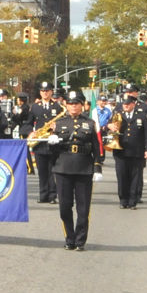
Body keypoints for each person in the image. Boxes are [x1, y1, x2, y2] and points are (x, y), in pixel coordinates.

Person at [47, 89, 103, 250]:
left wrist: (97, 167)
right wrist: (51, 142)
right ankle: (69, 237)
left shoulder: (90, 124)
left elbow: (97, 146)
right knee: (64, 207)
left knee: (83, 208)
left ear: (82, 105)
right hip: (63, 167)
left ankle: (80, 240)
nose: (73, 106)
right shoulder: (58, 123)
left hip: (84, 168)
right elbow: (52, 152)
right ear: (66, 105)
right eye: (70, 103)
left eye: (76, 104)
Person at [107, 95, 147, 209]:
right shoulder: (117, 115)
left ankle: (132, 201)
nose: (126, 106)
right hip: (121, 151)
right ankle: (123, 200)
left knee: (135, 177)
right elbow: (107, 126)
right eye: (124, 104)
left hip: (137, 152)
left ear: (133, 104)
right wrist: (110, 126)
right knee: (122, 176)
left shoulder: (142, 116)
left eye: (128, 104)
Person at [28, 82, 62, 203]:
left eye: (47, 90)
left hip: (52, 142)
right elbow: (28, 123)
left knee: (52, 170)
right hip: (40, 142)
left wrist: (56, 127)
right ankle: (43, 195)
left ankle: (53, 195)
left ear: (51, 92)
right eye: (42, 91)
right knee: (42, 171)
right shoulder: (35, 107)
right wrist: (30, 133)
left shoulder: (58, 107)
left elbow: (64, 124)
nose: (45, 93)